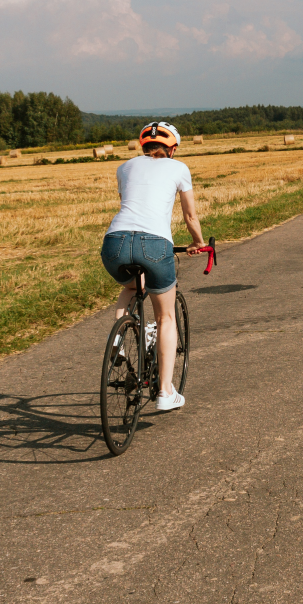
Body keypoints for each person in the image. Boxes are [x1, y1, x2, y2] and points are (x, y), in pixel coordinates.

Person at [100, 120, 205, 412]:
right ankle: (165, 392)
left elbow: (130, 204)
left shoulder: (124, 167)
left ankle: (118, 342)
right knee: (166, 318)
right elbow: (189, 216)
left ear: (143, 146)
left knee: (130, 286)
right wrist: (197, 241)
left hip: (114, 243)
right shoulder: (179, 168)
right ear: (172, 149)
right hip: (155, 244)